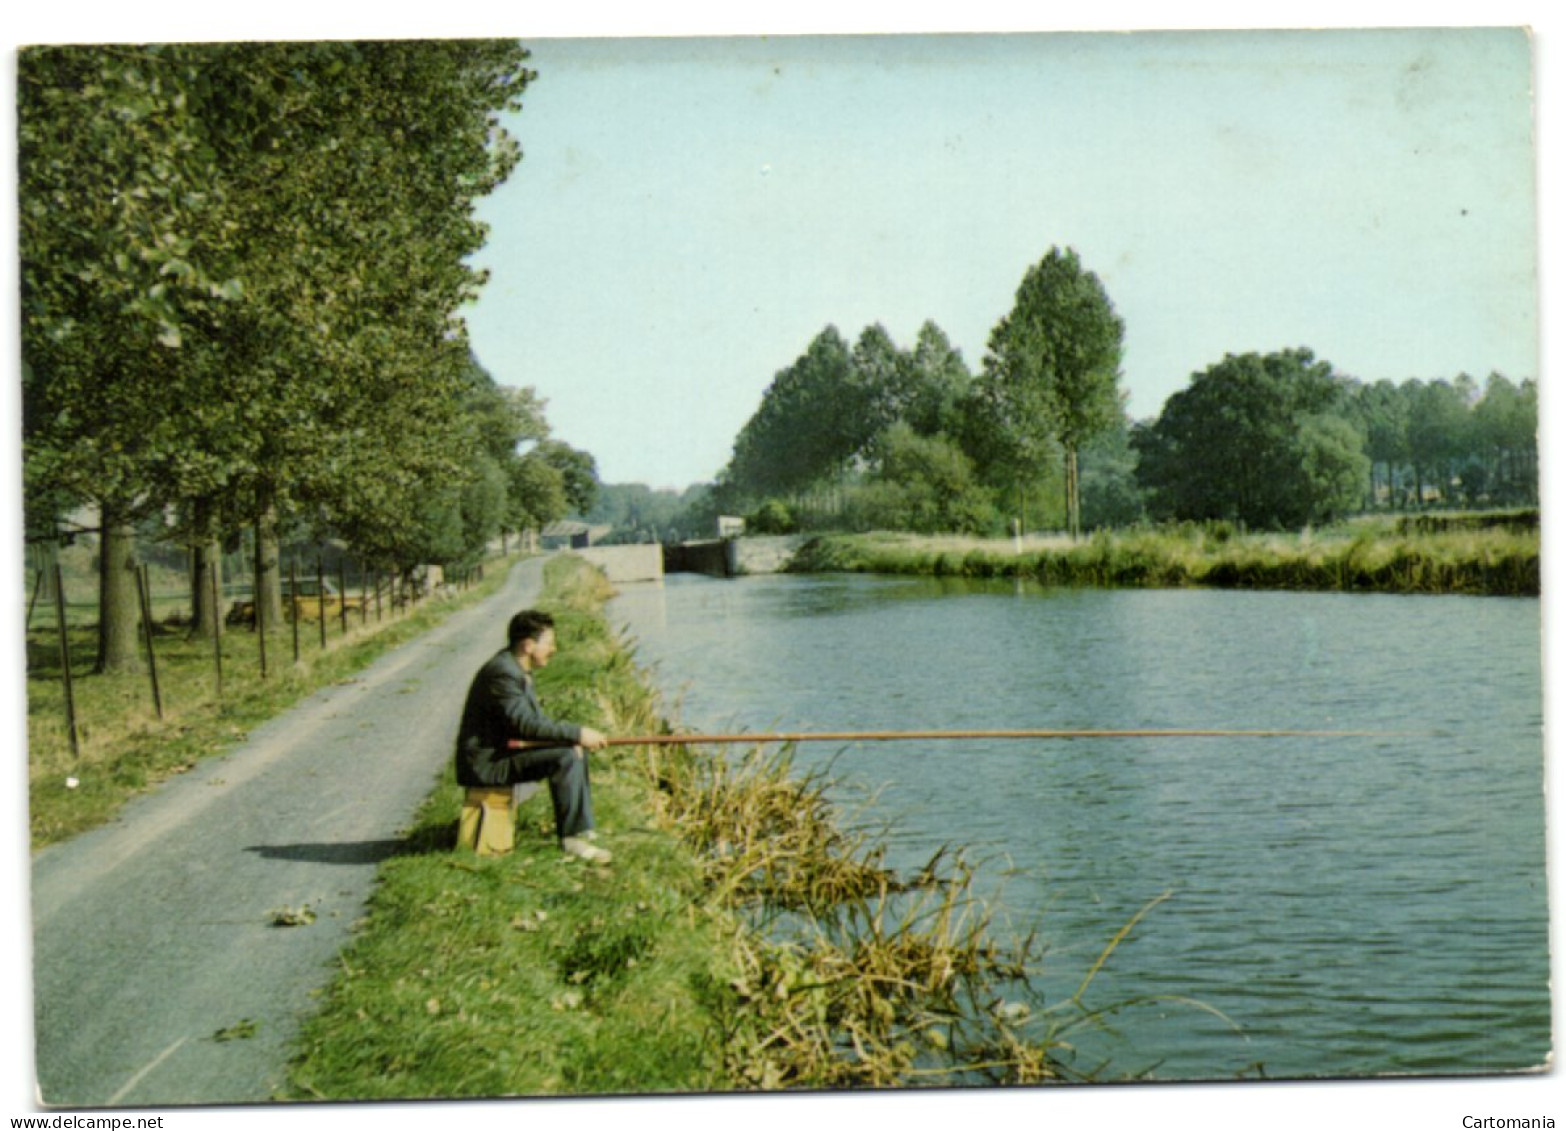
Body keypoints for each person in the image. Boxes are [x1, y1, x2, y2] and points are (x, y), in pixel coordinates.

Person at [454, 609, 612, 863]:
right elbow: (525, 726)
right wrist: (578, 733)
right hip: (487, 765)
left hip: (501, 754)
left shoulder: (514, 669)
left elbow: (530, 724)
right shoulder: (503, 673)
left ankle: (580, 828)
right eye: (549, 643)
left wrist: (573, 737)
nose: (554, 649)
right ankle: (571, 839)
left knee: (573, 749)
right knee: (567, 755)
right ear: (528, 645)